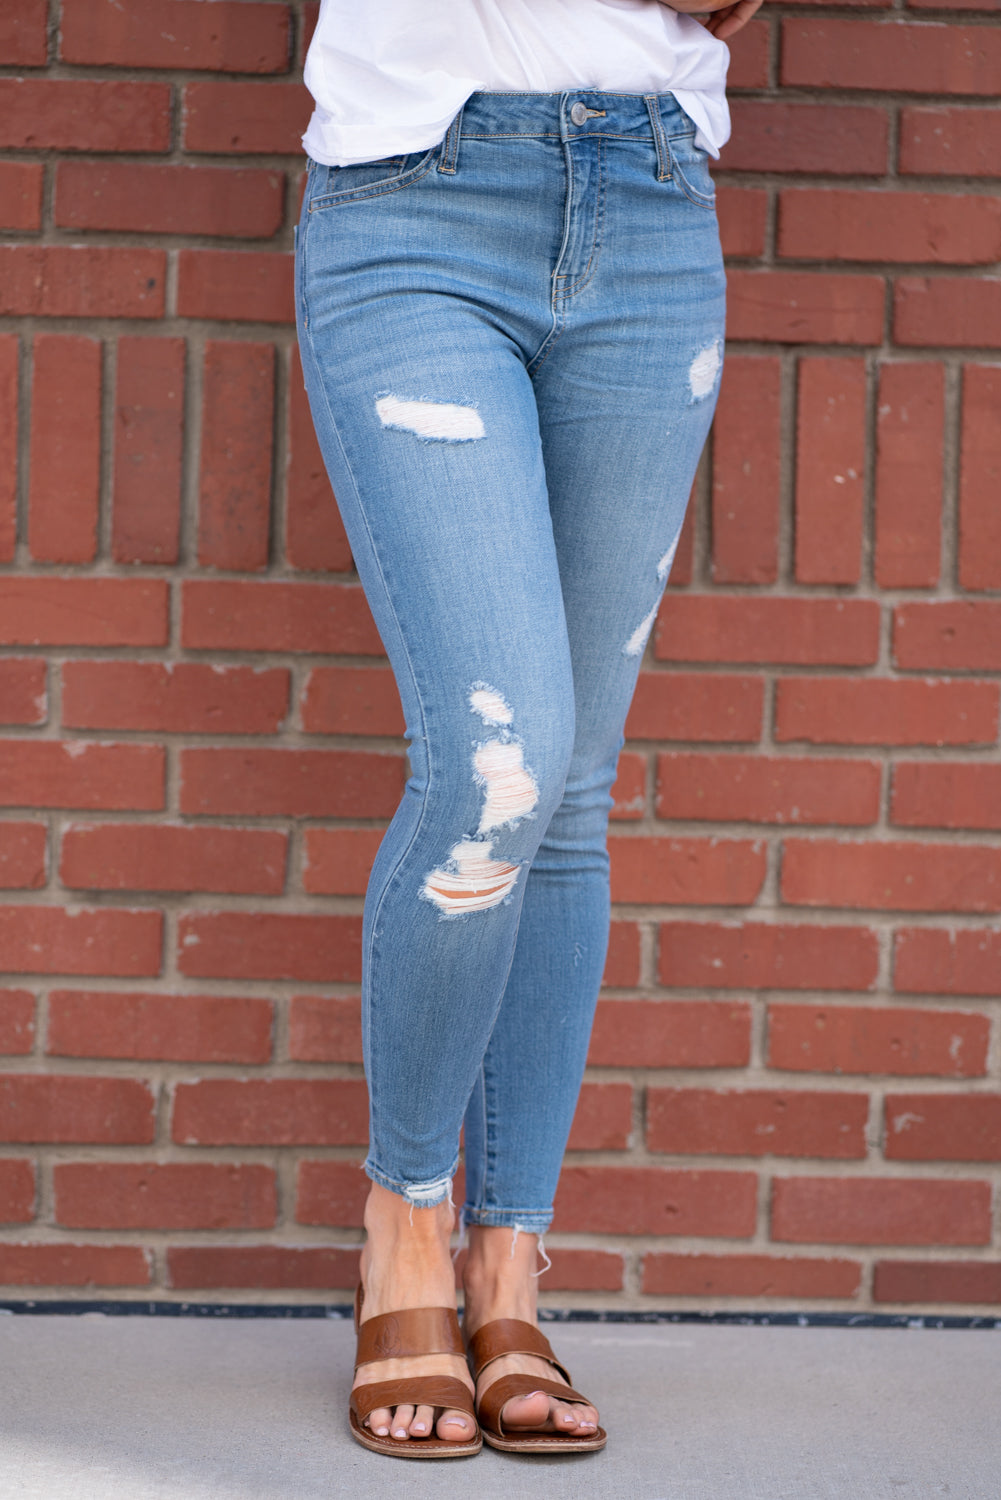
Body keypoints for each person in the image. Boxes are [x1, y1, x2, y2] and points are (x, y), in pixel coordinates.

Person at [295, 0, 761, 1459]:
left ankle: (508, 1268)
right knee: (497, 771)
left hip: (653, 201)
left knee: (568, 794)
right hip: (415, 196)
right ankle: (403, 1227)